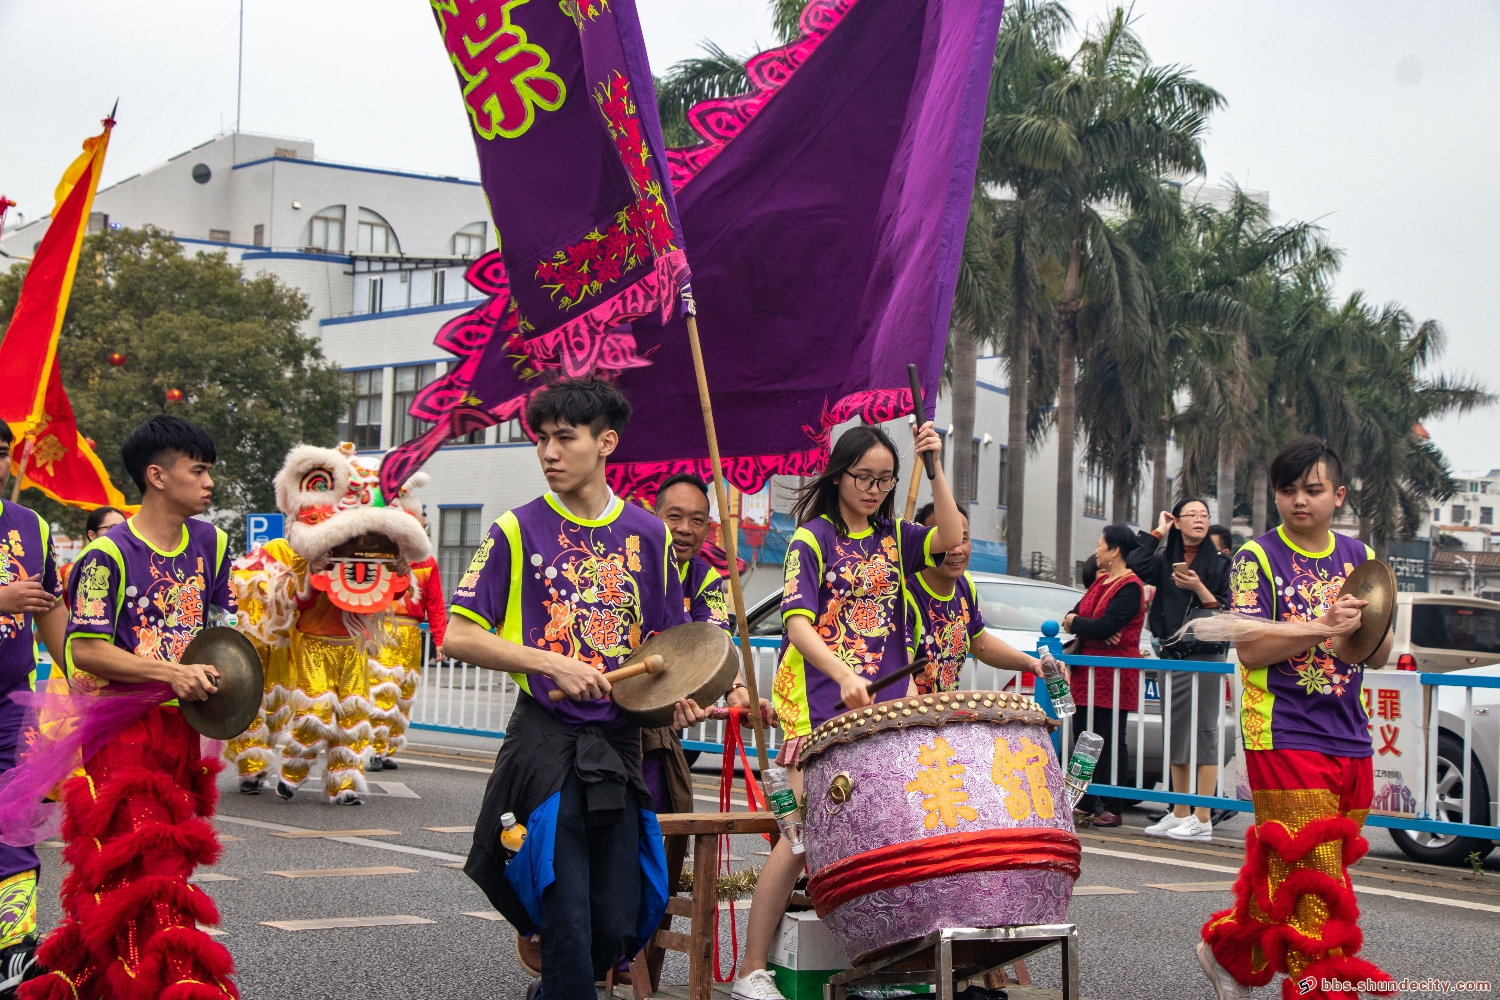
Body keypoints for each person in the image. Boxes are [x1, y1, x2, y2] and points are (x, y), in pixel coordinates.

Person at [443, 378, 703, 1000]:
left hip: (618, 745)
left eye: (565, 438)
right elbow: (456, 635)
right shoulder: (516, 530)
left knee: (616, 915)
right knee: (565, 907)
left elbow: (663, 648)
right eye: (543, 440)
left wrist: (683, 690)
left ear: (606, 442)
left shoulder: (651, 536)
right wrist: (550, 662)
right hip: (547, 740)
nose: (549, 452)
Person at [730, 421, 962, 1000]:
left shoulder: (897, 537)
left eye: (885, 479)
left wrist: (934, 465)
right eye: (864, 477)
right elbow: (797, 622)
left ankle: (882, 964)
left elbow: (952, 534)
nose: (875, 489)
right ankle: (751, 970)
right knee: (804, 831)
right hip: (815, 699)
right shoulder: (813, 539)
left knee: (883, 826)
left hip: (878, 703)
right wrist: (841, 672)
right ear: (839, 474)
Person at [22, 415, 238, 1000]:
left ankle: (94, 982)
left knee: (143, 872)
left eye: (210, 470)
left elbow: (223, 627)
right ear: (157, 476)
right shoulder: (104, 557)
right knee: (152, 867)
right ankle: (176, 985)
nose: (209, 482)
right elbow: (85, 650)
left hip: (186, 730)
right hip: (122, 733)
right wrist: (171, 672)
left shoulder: (213, 544)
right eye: (199, 470)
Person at [1198, 438, 1392, 1000]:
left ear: (1339, 494)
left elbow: (1375, 654)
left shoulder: (1360, 558)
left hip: (1348, 732)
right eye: (1288, 491)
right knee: (1315, 881)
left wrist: (1365, 631)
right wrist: (1322, 624)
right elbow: (1252, 650)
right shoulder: (1254, 559)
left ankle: (1230, 952)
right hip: (1282, 732)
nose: (1299, 501)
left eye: (1312, 490)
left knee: (1308, 864)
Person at [646, 472, 768, 815]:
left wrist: (738, 692)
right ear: (654, 517)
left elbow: (715, 643)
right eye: (675, 516)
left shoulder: (706, 579)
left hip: (659, 721)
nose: (685, 528)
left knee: (670, 815)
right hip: (607, 713)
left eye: (697, 520)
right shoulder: (630, 565)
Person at [0, 423, 68, 996]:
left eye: (0, 454)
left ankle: (14, 948)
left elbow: (50, 610)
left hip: (10, 701)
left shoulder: (32, 526)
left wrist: (83, 667)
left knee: (13, 816)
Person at [1129, 499, 1231, 842]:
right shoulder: (1164, 561)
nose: (1200, 520)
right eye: (1192, 515)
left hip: (1205, 653)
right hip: (1172, 652)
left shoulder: (1218, 563)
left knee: (1203, 730)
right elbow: (1135, 563)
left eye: (1204, 516)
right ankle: (1179, 810)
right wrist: (1158, 528)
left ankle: (1203, 815)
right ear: (1179, 521)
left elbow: (1228, 609)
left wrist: (1198, 588)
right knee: (1176, 730)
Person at [905, 501, 1044, 693]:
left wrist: (1032, 663)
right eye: (944, 539)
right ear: (924, 541)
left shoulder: (965, 584)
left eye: (963, 539)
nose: (956, 550)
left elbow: (980, 642)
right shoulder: (903, 593)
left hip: (942, 717)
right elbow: (901, 674)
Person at [1060, 525, 1145, 828]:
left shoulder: (1131, 586)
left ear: (1115, 550)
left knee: (1110, 739)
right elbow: (1075, 616)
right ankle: (1084, 800)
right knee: (1084, 737)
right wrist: (1084, 623)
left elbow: (1103, 627)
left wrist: (1085, 624)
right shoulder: (1103, 581)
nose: (1096, 550)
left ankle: (1112, 805)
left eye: (1100, 545)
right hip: (1089, 672)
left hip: (1115, 675)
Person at [372, 506, 446, 773]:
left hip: (412, 633)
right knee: (383, 689)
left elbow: (436, 604)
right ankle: (374, 749)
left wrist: (440, 640)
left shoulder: (428, 563)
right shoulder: (379, 560)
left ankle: (388, 748)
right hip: (383, 629)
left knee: (404, 692)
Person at [56, 507, 126, 599]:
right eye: (112, 527)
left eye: (125, 528)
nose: (120, 532)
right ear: (92, 535)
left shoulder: (137, 569)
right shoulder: (67, 573)